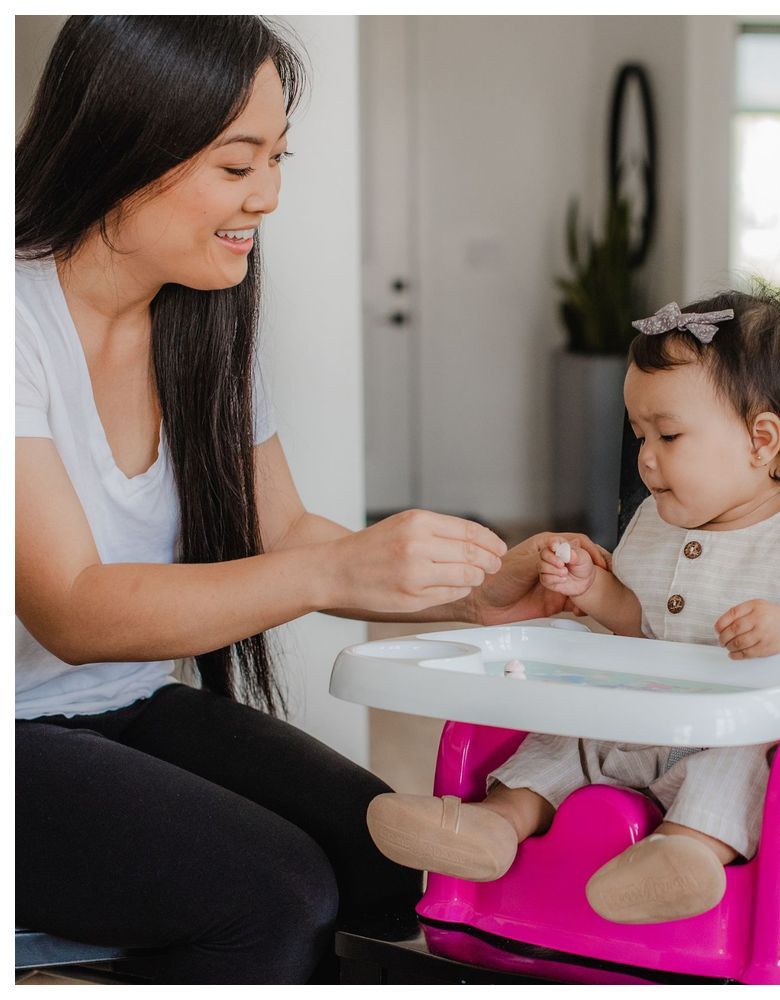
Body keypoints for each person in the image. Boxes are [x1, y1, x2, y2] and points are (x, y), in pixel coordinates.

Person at [15, 16, 602, 984]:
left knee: (384, 870)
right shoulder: (16, 314)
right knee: (276, 898)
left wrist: (477, 592)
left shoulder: (201, 310)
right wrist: (333, 567)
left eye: (278, 158)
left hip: (121, 705)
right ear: (127, 142)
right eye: (239, 164)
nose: (270, 197)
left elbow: (283, 530)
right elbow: (72, 606)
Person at [366, 289, 780, 925]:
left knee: (745, 764)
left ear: (762, 440)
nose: (646, 457)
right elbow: (639, 622)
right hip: (646, 720)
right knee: (568, 731)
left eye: (668, 435)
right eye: (639, 433)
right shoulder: (656, 517)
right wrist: (593, 589)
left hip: (742, 737)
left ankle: (685, 855)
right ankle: (492, 825)